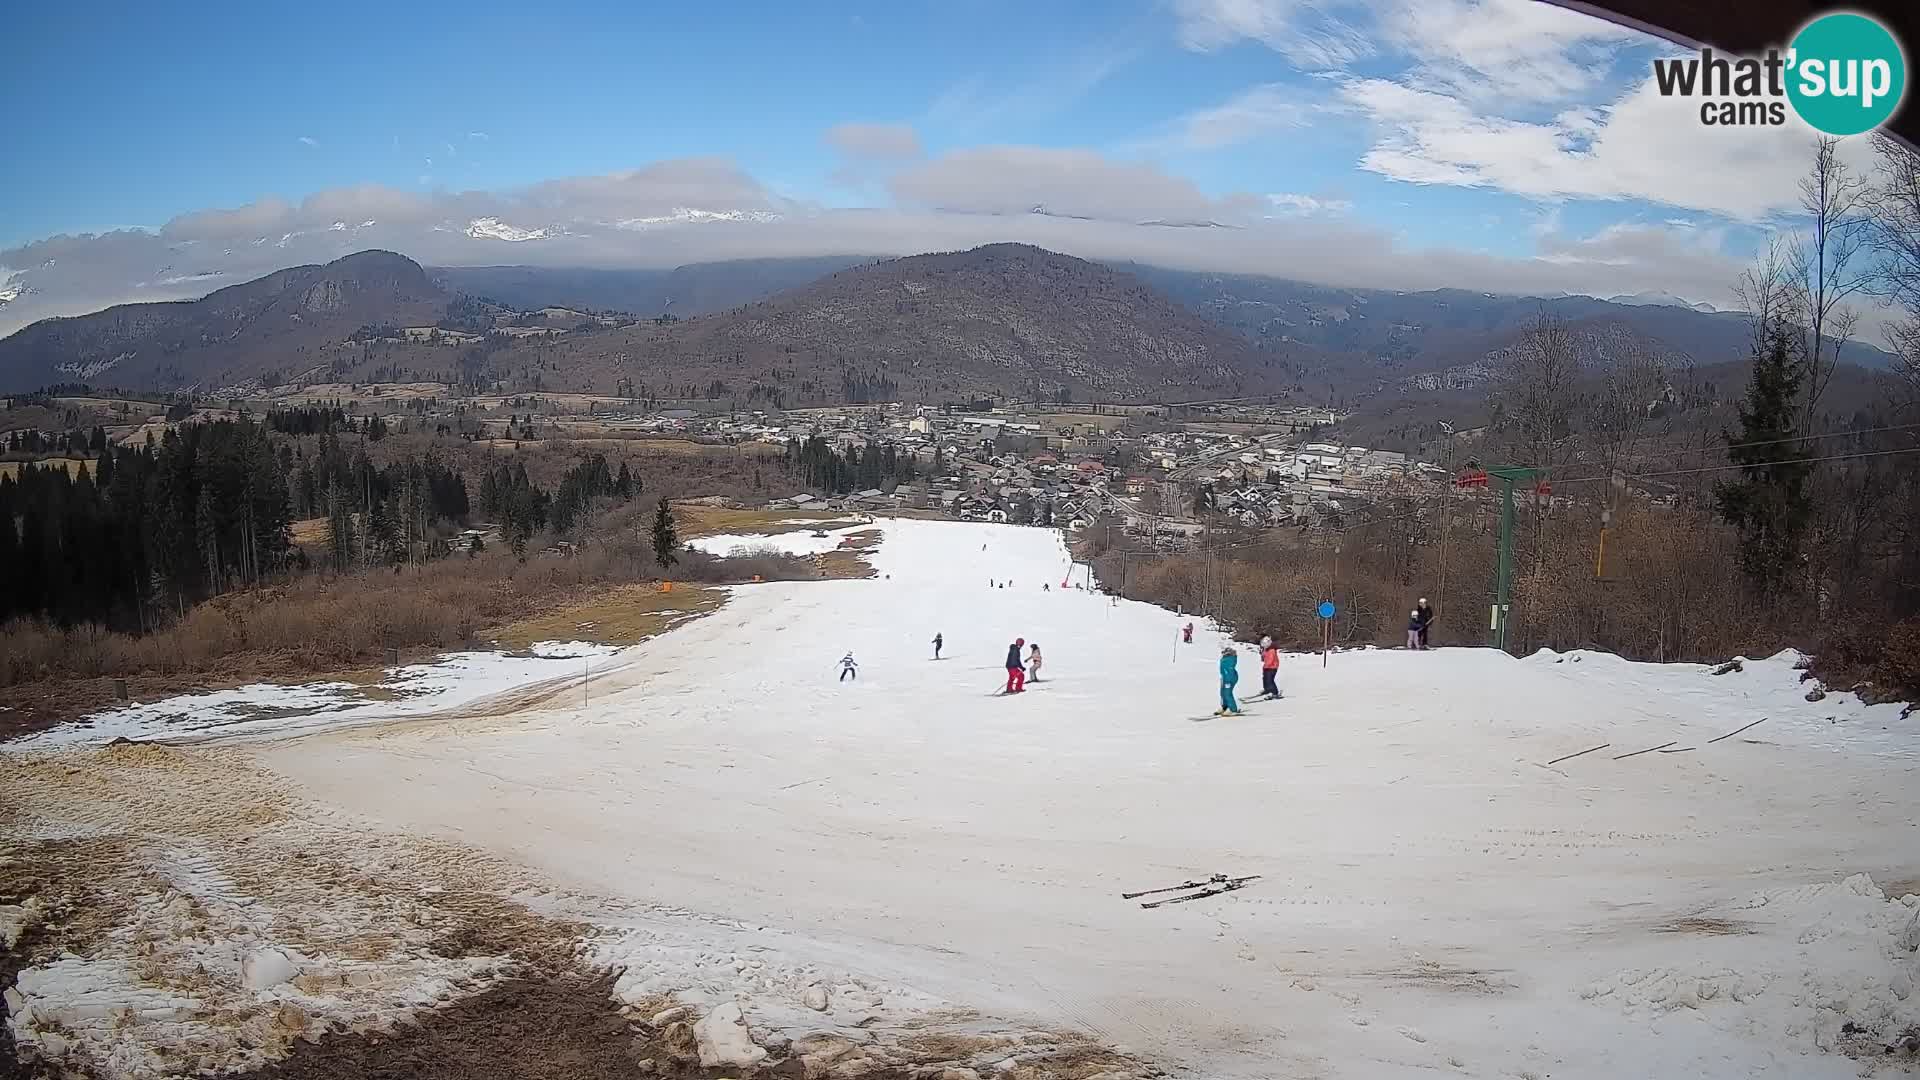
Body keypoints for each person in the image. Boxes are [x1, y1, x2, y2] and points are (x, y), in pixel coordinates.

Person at [1216, 646, 1243, 716]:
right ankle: (1225, 706)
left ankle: (1233, 709)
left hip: (1229, 678)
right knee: (1222, 693)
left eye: (1224, 652)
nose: (1223, 654)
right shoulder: (1225, 659)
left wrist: (1228, 680)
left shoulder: (1230, 659)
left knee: (1227, 693)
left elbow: (1229, 671)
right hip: (1225, 677)